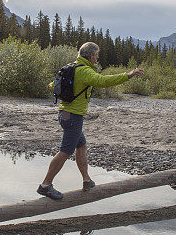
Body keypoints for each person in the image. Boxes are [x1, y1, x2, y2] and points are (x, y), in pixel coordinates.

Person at [37, 42, 144, 200]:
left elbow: (54, 84)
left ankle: (86, 180)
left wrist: (51, 85)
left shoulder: (70, 67)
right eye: (97, 55)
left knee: (81, 145)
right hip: (73, 117)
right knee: (66, 151)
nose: (97, 58)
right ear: (91, 55)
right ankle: (45, 185)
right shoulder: (85, 71)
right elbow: (104, 81)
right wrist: (128, 75)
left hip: (64, 114)